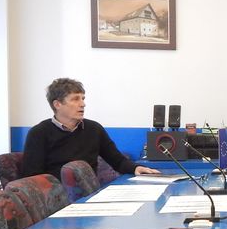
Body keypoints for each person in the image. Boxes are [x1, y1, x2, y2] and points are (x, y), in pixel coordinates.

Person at [23, 77, 161, 179]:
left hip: (88, 195)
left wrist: (136, 168)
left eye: (83, 98)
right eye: (75, 99)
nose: (83, 104)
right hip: (55, 200)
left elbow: (117, 161)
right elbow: (31, 177)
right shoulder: (39, 133)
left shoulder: (94, 129)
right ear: (57, 104)